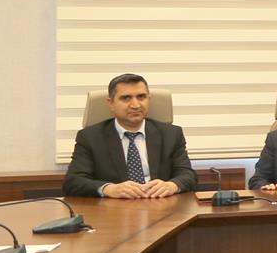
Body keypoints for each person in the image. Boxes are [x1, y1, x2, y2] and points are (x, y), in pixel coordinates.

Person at [63, 72, 196, 199]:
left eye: (141, 97)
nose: (135, 105)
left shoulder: (171, 134)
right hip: (113, 208)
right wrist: (109, 189)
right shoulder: (90, 137)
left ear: (149, 99)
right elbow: (73, 181)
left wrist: (172, 185)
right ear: (111, 103)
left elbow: (187, 175)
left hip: (161, 205)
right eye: (126, 98)